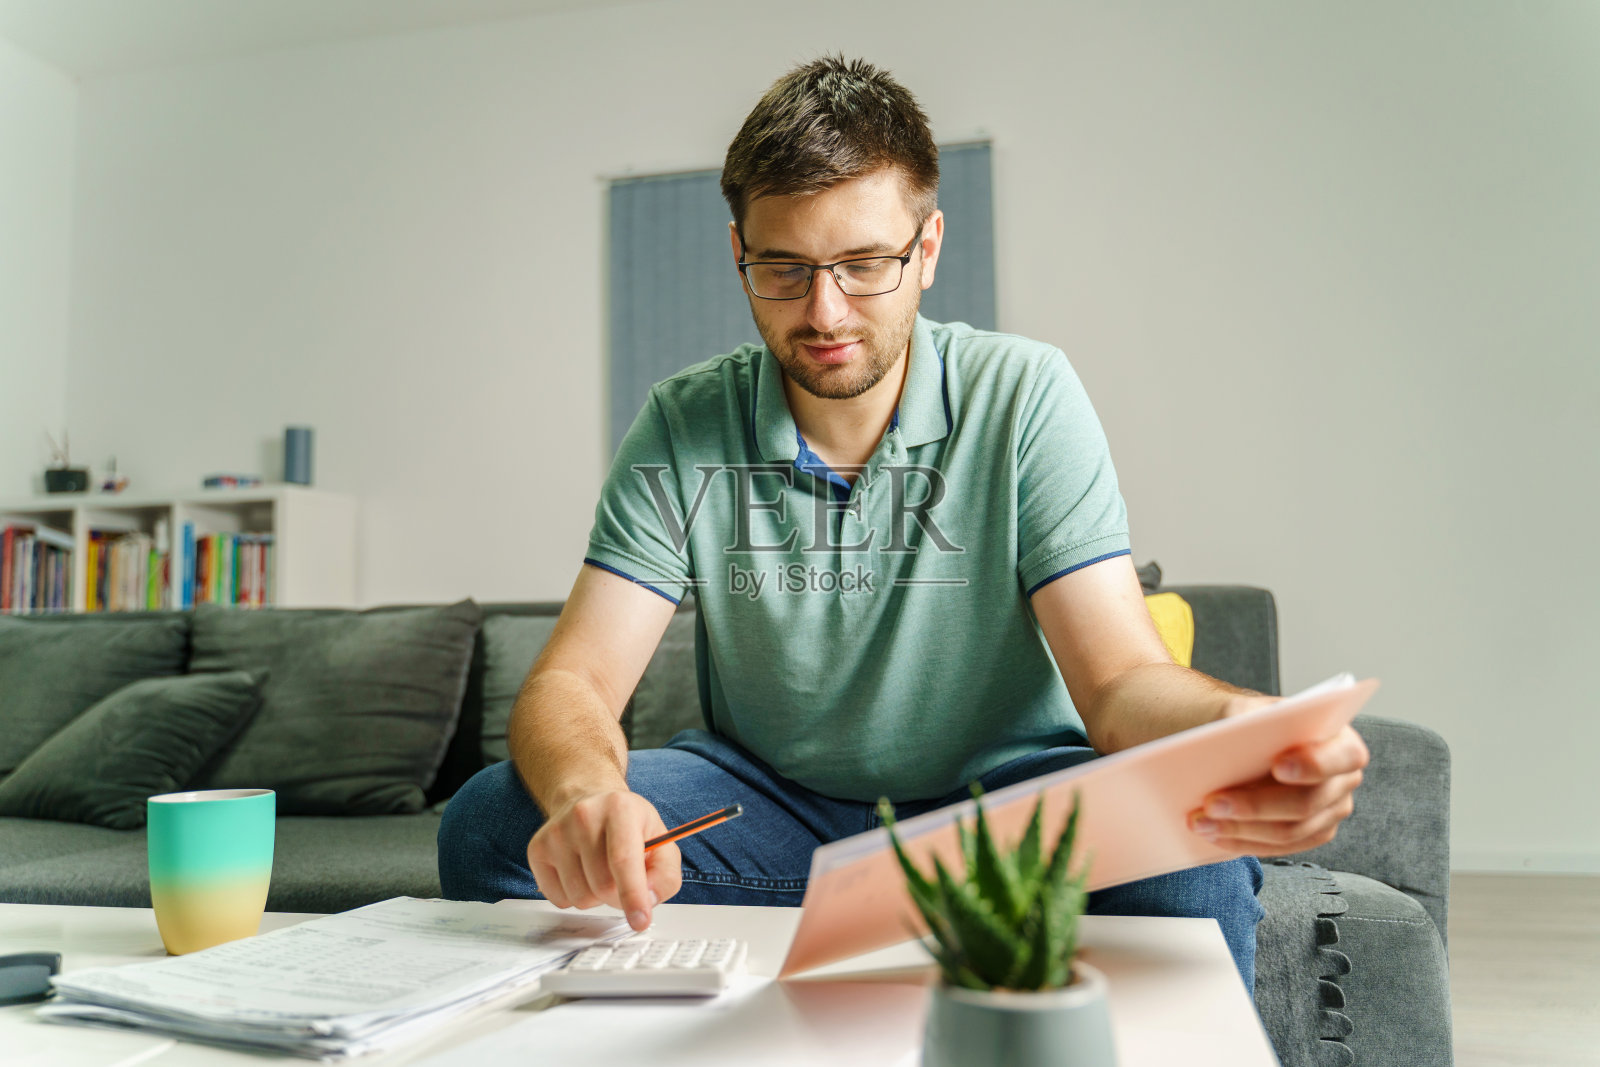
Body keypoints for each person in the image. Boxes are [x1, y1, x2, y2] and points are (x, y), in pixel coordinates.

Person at [438, 56, 1368, 991]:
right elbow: (575, 679)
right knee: (496, 822)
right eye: (784, 269)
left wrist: (1240, 725)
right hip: (770, 808)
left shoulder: (1026, 393)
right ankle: (896, 926)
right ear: (738, 255)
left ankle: (899, 913)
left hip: (1003, 810)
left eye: (864, 265)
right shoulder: (686, 421)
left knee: (1192, 865)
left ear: (926, 249)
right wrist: (591, 796)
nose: (824, 310)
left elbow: (1122, 683)